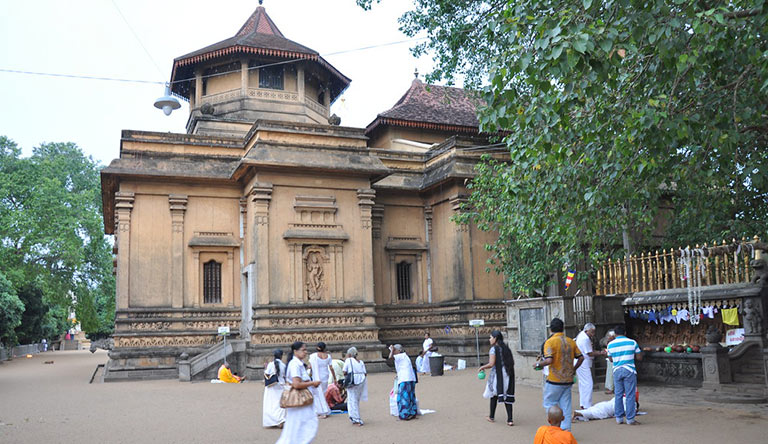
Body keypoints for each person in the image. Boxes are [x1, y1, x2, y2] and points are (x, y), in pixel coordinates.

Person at [533, 318, 583, 431]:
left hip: (554, 379)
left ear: (551, 329)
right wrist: (573, 369)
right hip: (568, 379)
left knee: (549, 403)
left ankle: (555, 427)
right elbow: (581, 358)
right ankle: (566, 429)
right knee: (566, 405)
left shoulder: (550, 342)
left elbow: (549, 360)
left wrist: (538, 364)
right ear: (563, 328)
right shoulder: (571, 341)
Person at [276, 341, 322, 444]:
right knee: (300, 426)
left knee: (299, 427)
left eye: (306, 350)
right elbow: (296, 384)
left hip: (301, 401)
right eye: (303, 350)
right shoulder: (295, 365)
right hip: (298, 400)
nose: (305, 352)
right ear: (295, 351)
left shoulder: (298, 364)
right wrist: (312, 383)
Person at [606, 325, 642, 425]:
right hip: (629, 370)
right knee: (630, 395)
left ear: (615, 334)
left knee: (618, 394)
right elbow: (639, 357)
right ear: (625, 333)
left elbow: (610, 359)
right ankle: (630, 419)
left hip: (616, 370)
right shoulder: (632, 342)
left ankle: (619, 418)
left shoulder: (610, 345)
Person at [478, 330, 516, 426]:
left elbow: (491, 364)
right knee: (507, 395)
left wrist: (482, 367)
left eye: (491, 337)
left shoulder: (494, 349)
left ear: (495, 338)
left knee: (494, 394)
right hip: (508, 374)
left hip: (498, 375)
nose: (489, 339)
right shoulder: (506, 348)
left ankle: (491, 416)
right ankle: (510, 420)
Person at [574, 323, 603, 409]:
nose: (593, 334)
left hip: (581, 362)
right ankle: (587, 404)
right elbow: (590, 353)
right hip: (583, 362)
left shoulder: (582, 335)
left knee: (583, 383)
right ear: (586, 330)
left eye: (594, 332)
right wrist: (600, 353)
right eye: (592, 332)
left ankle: (583, 403)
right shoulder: (585, 339)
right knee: (588, 383)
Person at [388, 344, 418, 420]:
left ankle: (405, 414)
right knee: (411, 396)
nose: (393, 352)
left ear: (399, 350)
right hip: (410, 378)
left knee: (403, 397)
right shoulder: (404, 356)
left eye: (395, 350)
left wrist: (391, 350)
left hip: (405, 379)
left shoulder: (400, 356)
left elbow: (390, 357)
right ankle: (412, 412)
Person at [574, 389, 639, 422]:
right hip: (607, 409)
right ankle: (577, 413)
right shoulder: (628, 401)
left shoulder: (619, 397)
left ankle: (577, 414)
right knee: (593, 414)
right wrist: (635, 410)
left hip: (604, 404)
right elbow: (626, 410)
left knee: (591, 411)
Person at [308, 342, 335, 418]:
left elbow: (310, 366)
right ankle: (322, 410)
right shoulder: (328, 356)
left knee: (317, 394)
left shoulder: (313, 356)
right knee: (322, 394)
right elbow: (331, 368)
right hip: (325, 376)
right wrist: (335, 378)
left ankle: (323, 411)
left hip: (317, 377)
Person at [342, 346, 368, 426]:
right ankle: (353, 417)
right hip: (361, 380)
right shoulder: (361, 362)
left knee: (352, 399)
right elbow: (365, 373)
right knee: (355, 399)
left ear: (349, 354)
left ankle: (357, 419)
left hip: (353, 380)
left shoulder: (348, 360)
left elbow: (344, 371)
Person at [263, 349, 287, 428]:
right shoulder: (283, 365)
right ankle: (281, 420)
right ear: (281, 356)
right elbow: (284, 376)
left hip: (272, 386)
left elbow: (266, 374)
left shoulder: (270, 364)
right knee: (280, 403)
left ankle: (274, 420)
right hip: (281, 385)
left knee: (271, 404)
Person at [599, 330, 616, 394]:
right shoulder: (610, 343)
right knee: (609, 374)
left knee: (611, 374)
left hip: (612, 359)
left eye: (609, 336)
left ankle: (611, 388)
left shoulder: (612, 343)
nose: (608, 337)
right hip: (610, 359)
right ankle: (610, 387)